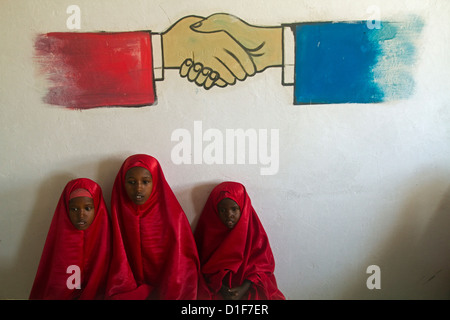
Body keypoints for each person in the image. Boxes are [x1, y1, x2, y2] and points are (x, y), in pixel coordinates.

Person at [106, 154, 204, 299]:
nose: (138, 189)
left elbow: (183, 264)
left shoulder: (173, 217)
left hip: (168, 285)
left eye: (145, 182)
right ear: (122, 183)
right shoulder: (119, 209)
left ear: (155, 182)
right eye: (131, 182)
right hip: (130, 284)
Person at [194, 181, 285, 300]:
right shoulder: (207, 234)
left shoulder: (254, 232)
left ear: (243, 208)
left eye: (234, 209)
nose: (229, 215)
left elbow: (263, 267)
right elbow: (203, 268)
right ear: (215, 210)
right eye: (223, 210)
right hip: (219, 289)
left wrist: (243, 289)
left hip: (248, 287)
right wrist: (222, 288)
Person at [29, 178, 111, 300]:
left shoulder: (107, 239)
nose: (81, 215)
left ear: (98, 207)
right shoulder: (61, 241)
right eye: (74, 209)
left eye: (88, 208)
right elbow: (62, 283)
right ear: (66, 209)